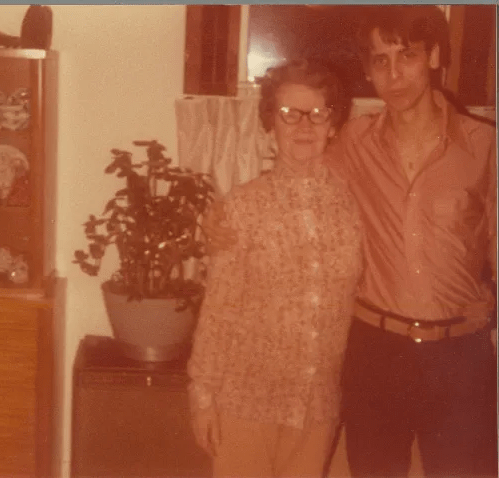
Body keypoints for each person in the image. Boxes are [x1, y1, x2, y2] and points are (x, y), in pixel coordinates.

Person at [203, 6, 497, 478]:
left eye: (407, 56)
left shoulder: (485, 146)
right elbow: (294, 169)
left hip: (459, 356)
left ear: (434, 56)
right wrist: (215, 219)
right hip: (376, 351)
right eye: (381, 60)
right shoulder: (353, 143)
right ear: (369, 71)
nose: (394, 74)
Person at [187, 58, 363, 478]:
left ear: (333, 124)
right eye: (289, 114)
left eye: (317, 113)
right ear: (271, 124)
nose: (304, 126)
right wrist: (202, 396)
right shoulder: (242, 206)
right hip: (245, 404)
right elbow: (219, 310)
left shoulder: (354, 205)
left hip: (317, 407)